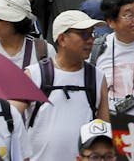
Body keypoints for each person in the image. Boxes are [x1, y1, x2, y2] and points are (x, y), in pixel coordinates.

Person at [17, 10, 110, 159]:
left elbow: (105, 129)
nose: (91, 40)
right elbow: (11, 118)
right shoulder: (34, 74)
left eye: (92, 34)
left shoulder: (98, 77)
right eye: (83, 34)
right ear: (62, 39)